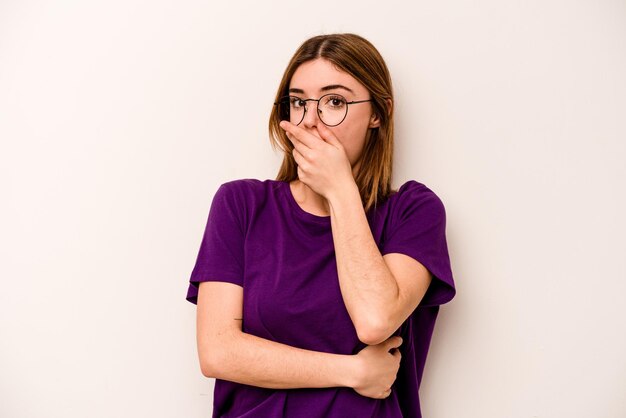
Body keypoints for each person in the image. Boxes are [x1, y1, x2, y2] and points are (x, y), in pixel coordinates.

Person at [185, 33, 457, 418]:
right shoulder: (241, 204)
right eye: (298, 102)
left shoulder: (413, 211)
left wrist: (341, 191)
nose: (310, 122)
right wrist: (352, 371)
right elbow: (217, 352)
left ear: (378, 113)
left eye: (334, 102)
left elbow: (375, 320)